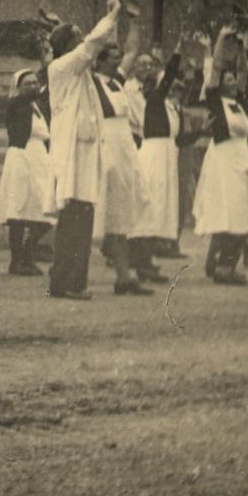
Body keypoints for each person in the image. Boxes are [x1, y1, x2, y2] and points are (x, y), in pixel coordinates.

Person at [44, 0, 128, 300]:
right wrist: (112, 16)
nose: (83, 43)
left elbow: (97, 49)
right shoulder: (62, 68)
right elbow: (93, 45)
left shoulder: (81, 74)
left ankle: (67, 280)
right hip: (73, 156)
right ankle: (68, 283)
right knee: (74, 219)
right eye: (77, 39)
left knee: (81, 217)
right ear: (67, 46)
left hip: (85, 154)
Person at [193, 25, 248, 284]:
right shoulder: (215, 100)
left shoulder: (239, 102)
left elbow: (242, 70)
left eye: (233, 80)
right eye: (227, 80)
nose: (231, 81)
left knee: (245, 211)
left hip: (243, 159)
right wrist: (221, 39)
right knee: (231, 211)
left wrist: (240, 45)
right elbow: (216, 67)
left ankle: (220, 263)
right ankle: (225, 267)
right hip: (224, 159)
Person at [93, 25, 151, 296]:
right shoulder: (91, 82)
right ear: (100, 60)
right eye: (112, 56)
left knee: (124, 211)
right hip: (107, 148)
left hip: (125, 146)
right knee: (109, 212)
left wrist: (133, 20)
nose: (118, 60)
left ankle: (124, 275)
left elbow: (131, 52)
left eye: (117, 56)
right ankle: (122, 274)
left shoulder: (116, 81)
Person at [127, 41, 190, 283]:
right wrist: (176, 53)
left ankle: (147, 260)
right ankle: (141, 260)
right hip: (153, 156)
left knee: (160, 208)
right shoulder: (154, 100)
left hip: (166, 157)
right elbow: (167, 78)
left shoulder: (168, 107)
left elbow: (180, 138)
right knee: (151, 206)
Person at [0, 62, 54, 276]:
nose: (33, 87)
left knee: (43, 209)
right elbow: (13, 102)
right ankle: (18, 260)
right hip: (21, 158)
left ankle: (27, 253)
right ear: (18, 87)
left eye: (35, 83)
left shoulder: (37, 107)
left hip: (39, 159)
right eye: (27, 84)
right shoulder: (16, 103)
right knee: (18, 209)